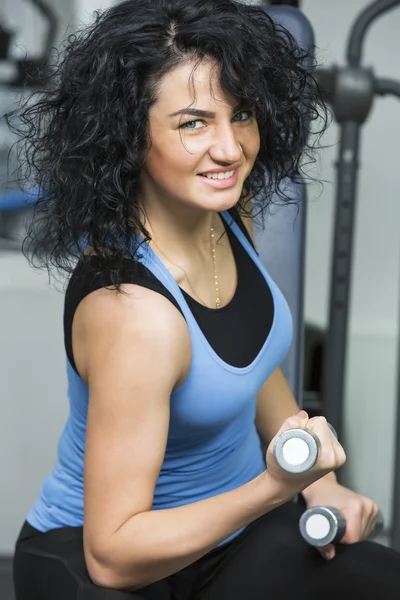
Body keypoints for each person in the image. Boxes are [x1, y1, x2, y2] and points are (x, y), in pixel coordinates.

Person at [9, 0, 400, 598]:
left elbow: (247, 361)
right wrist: (278, 488)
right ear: (129, 135)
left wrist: (320, 486)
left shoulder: (218, 213)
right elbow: (112, 554)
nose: (229, 148)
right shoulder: (133, 314)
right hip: (116, 562)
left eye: (241, 114)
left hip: (230, 532)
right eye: (193, 123)